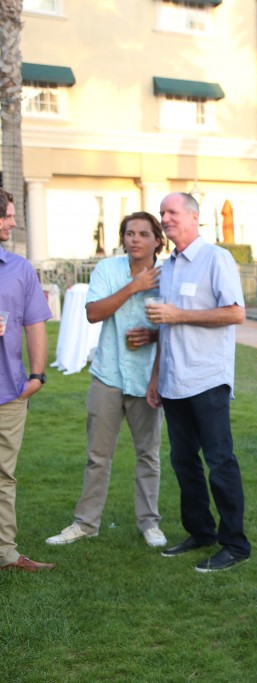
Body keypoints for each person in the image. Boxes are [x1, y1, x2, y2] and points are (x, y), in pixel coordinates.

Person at [45, 212, 167, 548]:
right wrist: (134, 287)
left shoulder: (169, 275)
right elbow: (93, 313)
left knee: (148, 454)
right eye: (129, 233)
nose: (135, 239)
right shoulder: (107, 270)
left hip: (147, 379)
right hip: (108, 375)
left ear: (158, 240)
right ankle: (85, 523)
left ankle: (149, 523)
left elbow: (176, 325)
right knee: (98, 455)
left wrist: (154, 336)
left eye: (143, 233)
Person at [145, 192, 249, 573]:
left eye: (171, 212)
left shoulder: (215, 258)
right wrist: (156, 377)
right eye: (162, 213)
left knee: (220, 462)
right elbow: (166, 325)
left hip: (206, 378)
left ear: (193, 216)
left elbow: (236, 313)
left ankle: (235, 544)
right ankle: (201, 532)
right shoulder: (168, 266)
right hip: (173, 381)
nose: (165, 219)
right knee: (183, 462)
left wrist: (179, 314)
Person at [0, 188, 55, 572]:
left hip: (9, 392)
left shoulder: (20, 269)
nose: (13, 222)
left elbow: (35, 324)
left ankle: (4, 552)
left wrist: (36, 376)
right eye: (7, 215)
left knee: (4, 475)